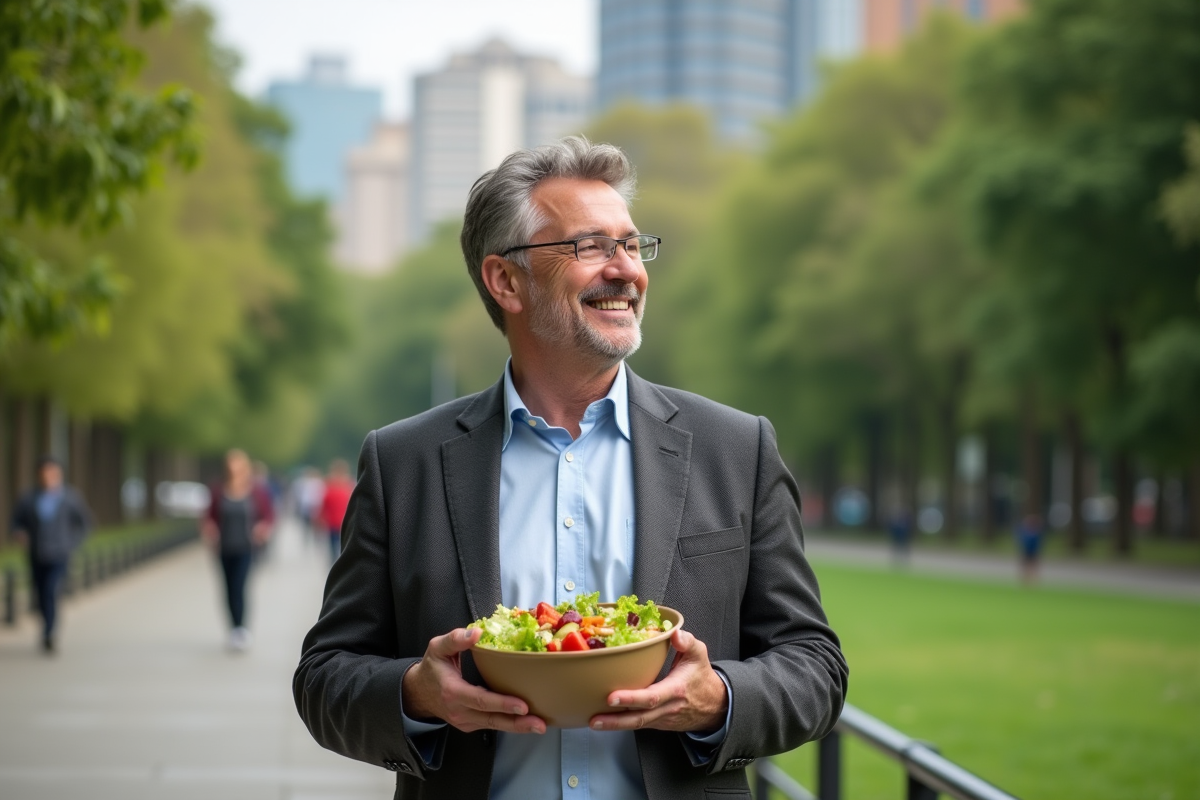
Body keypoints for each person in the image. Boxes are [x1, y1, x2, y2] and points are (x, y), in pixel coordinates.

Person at [294, 137, 847, 799]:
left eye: (632, 245)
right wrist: (416, 693)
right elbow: (325, 677)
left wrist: (718, 698)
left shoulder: (736, 449)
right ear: (506, 280)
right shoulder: (402, 463)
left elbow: (815, 669)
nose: (626, 271)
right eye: (591, 246)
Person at [11, 455, 93, 653]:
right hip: (36, 554)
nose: (48, 477)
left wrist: (71, 544)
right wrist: (19, 532)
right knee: (40, 593)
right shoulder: (29, 498)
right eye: (44, 473)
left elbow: (85, 524)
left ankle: (49, 632)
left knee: (51, 590)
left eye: (52, 473)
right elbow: (16, 521)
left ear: (59, 474)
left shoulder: (71, 497)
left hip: (59, 555)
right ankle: (47, 627)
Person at [201, 449, 274, 652]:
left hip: (246, 547)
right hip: (224, 548)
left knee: (240, 586)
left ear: (244, 467)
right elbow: (209, 515)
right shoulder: (218, 490)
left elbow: (268, 515)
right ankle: (233, 628)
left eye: (237, 464)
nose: (234, 468)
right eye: (230, 464)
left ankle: (242, 629)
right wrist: (209, 528)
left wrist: (263, 528)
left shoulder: (256, 492)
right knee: (227, 588)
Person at [316, 458, 354, 564]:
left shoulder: (344, 485)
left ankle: (337, 563)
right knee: (336, 546)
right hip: (337, 521)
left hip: (342, 520)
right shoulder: (347, 485)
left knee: (338, 546)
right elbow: (324, 503)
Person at [1016, 512, 1045, 584]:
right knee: (1026, 566)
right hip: (1026, 551)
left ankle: (1032, 581)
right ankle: (1026, 581)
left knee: (1032, 566)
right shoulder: (1025, 532)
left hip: (1033, 552)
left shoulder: (1035, 533)